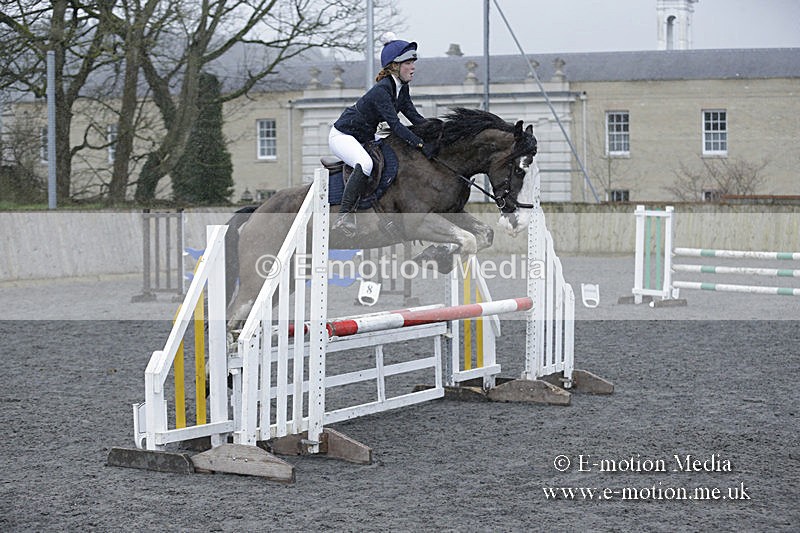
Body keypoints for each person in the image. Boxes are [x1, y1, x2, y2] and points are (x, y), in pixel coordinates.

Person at [329, 34, 436, 237]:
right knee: (365, 164)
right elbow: (395, 125)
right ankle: (344, 215)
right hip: (343, 136)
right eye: (408, 63)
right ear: (395, 66)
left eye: (413, 62)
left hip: (365, 137)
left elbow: (414, 117)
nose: (413, 67)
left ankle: (385, 212)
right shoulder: (382, 90)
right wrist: (420, 145)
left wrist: (437, 133)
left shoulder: (401, 88)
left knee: (392, 157)